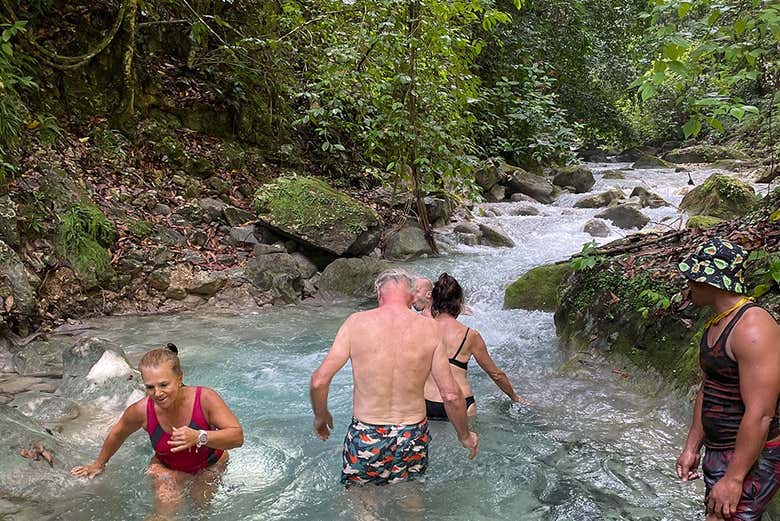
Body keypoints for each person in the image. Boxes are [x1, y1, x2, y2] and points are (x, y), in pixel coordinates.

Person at [310, 268, 479, 488]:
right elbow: (451, 394)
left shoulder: (356, 323)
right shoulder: (430, 329)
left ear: (379, 292)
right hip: (412, 433)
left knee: (363, 501)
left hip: (367, 431)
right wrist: (464, 435)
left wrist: (321, 417)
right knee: (411, 499)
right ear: (410, 296)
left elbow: (319, 381)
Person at [71, 343, 244, 518]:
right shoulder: (141, 411)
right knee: (164, 514)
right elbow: (118, 434)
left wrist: (200, 436)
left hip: (210, 464)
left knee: (200, 509)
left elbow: (237, 437)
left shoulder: (205, 398)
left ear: (179, 378)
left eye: (164, 384)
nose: (158, 393)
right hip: (167, 467)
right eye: (150, 387)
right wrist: (98, 464)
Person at [676, 238, 780, 520]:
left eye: (692, 278)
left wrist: (734, 478)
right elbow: (708, 387)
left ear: (711, 282)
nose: (688, 286)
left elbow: (761, 414)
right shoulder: (717, 321)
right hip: (720, 450)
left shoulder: (752, 328)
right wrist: (691, 448)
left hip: (751, 457)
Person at [423, 273, 527, 420]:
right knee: (469, 441)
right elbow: (496, 374)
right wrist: (514, 397)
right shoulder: (470, 336)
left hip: (427, 403)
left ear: (433, 300)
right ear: (459, 302)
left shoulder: (420, 329)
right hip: (461, 403)